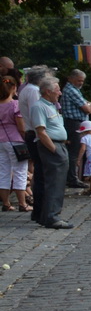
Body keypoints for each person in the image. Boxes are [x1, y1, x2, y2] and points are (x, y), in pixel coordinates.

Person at [28, 75, 72, 229]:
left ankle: (46, 215)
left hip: (58, 145)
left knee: (55, 182)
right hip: (51, 146)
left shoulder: (52, 105)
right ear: (47, 91)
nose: (59, 93)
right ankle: (52, 216)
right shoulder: (39, 107)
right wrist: (54, 149)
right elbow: (41, 131)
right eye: (57, 90)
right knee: (54, 183)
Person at [0, 76, 29, 212]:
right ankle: (22, 204)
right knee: (20, 172)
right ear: (13, 88)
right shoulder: (15, 104)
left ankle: (6, 203)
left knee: (3, 172)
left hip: (1, 141)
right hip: (16, 141)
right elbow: (21, 127)